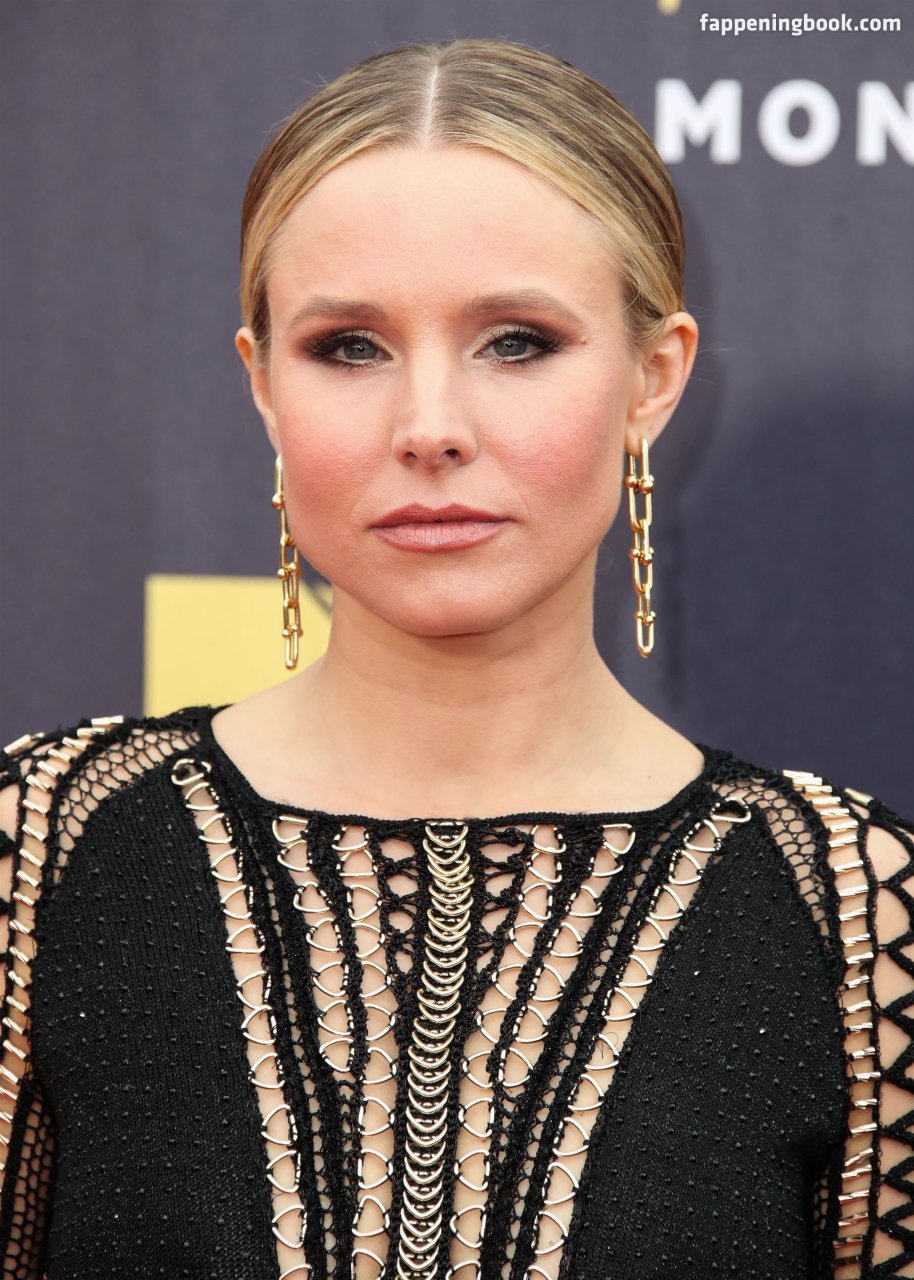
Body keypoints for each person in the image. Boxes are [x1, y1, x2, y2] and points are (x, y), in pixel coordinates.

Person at [0, 35, 911, 1280]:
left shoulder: (851, 907)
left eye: (517, 341)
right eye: (349, 347)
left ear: (652, 378)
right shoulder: (43, 848)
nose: (428, 427)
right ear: (262, 385)